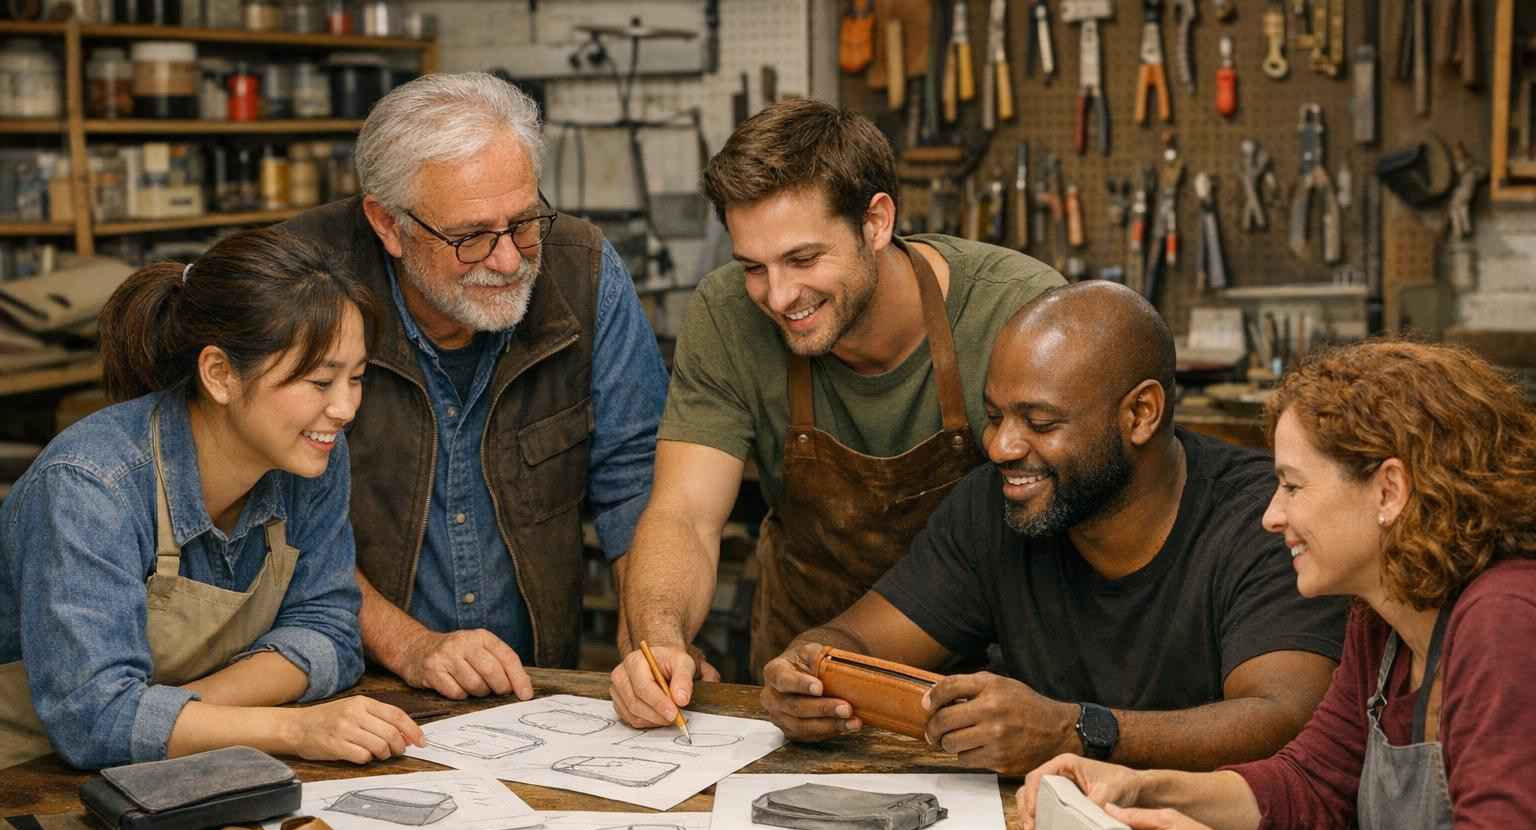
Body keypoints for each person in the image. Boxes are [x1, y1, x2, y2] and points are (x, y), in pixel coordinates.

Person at [1019, 340, 1536, 830]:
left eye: (1293, 485)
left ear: (1389, 490)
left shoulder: (1505, 620)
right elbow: (1312, 785)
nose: (1272, 516)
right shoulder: (1384, 618)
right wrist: (1136, 785)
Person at [760, 281, 1348, 776]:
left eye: (1040, 422)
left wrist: (1075, 732)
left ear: (1141, 414)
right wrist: (805, 671)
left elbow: (1285, 716)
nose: (1001, 447)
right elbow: (854, 642)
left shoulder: (1263, 519)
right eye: (993, 417)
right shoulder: (994, 507)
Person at [610, 98, 1064, 727]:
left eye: (803, 259)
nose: (779, 296)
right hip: (802, 684)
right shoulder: (726, 316)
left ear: (876, 221)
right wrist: (659, 639)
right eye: (753, 267)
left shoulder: (1021, 312)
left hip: (994, 693)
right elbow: (684, 514)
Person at [283, 72, 667, 701]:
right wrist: (409, 646)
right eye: (470, 237)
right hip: (348, 693)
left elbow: (634, 480)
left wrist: (654, 634)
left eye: (523, 221)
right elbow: (271, 518)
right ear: (387, 224)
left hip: (534, 692)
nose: (511, 260)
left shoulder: (585, 271)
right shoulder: (297, 285)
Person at [0, 229, 424, 770]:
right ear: (220, 374)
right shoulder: (90, 487)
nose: (343, 408)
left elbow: (328, 626)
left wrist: (183, 713)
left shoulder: (310, 455)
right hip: (29, 781)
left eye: (357, 378)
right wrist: (293, 727)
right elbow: (93, 720)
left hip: (178, 766)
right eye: (320, 382)